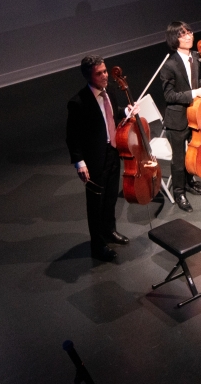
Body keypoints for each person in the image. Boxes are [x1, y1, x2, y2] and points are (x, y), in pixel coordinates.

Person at [65, 56, 131, 262]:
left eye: (105, 71)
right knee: (95, 204)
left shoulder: (109, 91)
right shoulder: (78, 102)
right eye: (99, 73)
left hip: (113, 152)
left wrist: (126, 111)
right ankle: (98, 245)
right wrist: (79, 162)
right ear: (88, 76)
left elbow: (111, 115)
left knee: (110, 197)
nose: (105, 76)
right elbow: (72, 136)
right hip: (94, 160)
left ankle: (109, 230)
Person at [158, 22, 201, 213]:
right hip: (177, 119)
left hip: (195, 115)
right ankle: (179, 192)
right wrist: (195, 92)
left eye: (189, 32)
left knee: (194, 152)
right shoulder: (169, 65)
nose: (189, 36)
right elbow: (170, 96)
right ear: (175, 40)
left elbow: (193, 82)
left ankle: (190, 182)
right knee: (178, 158)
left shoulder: (194, 57)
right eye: (183, 35)